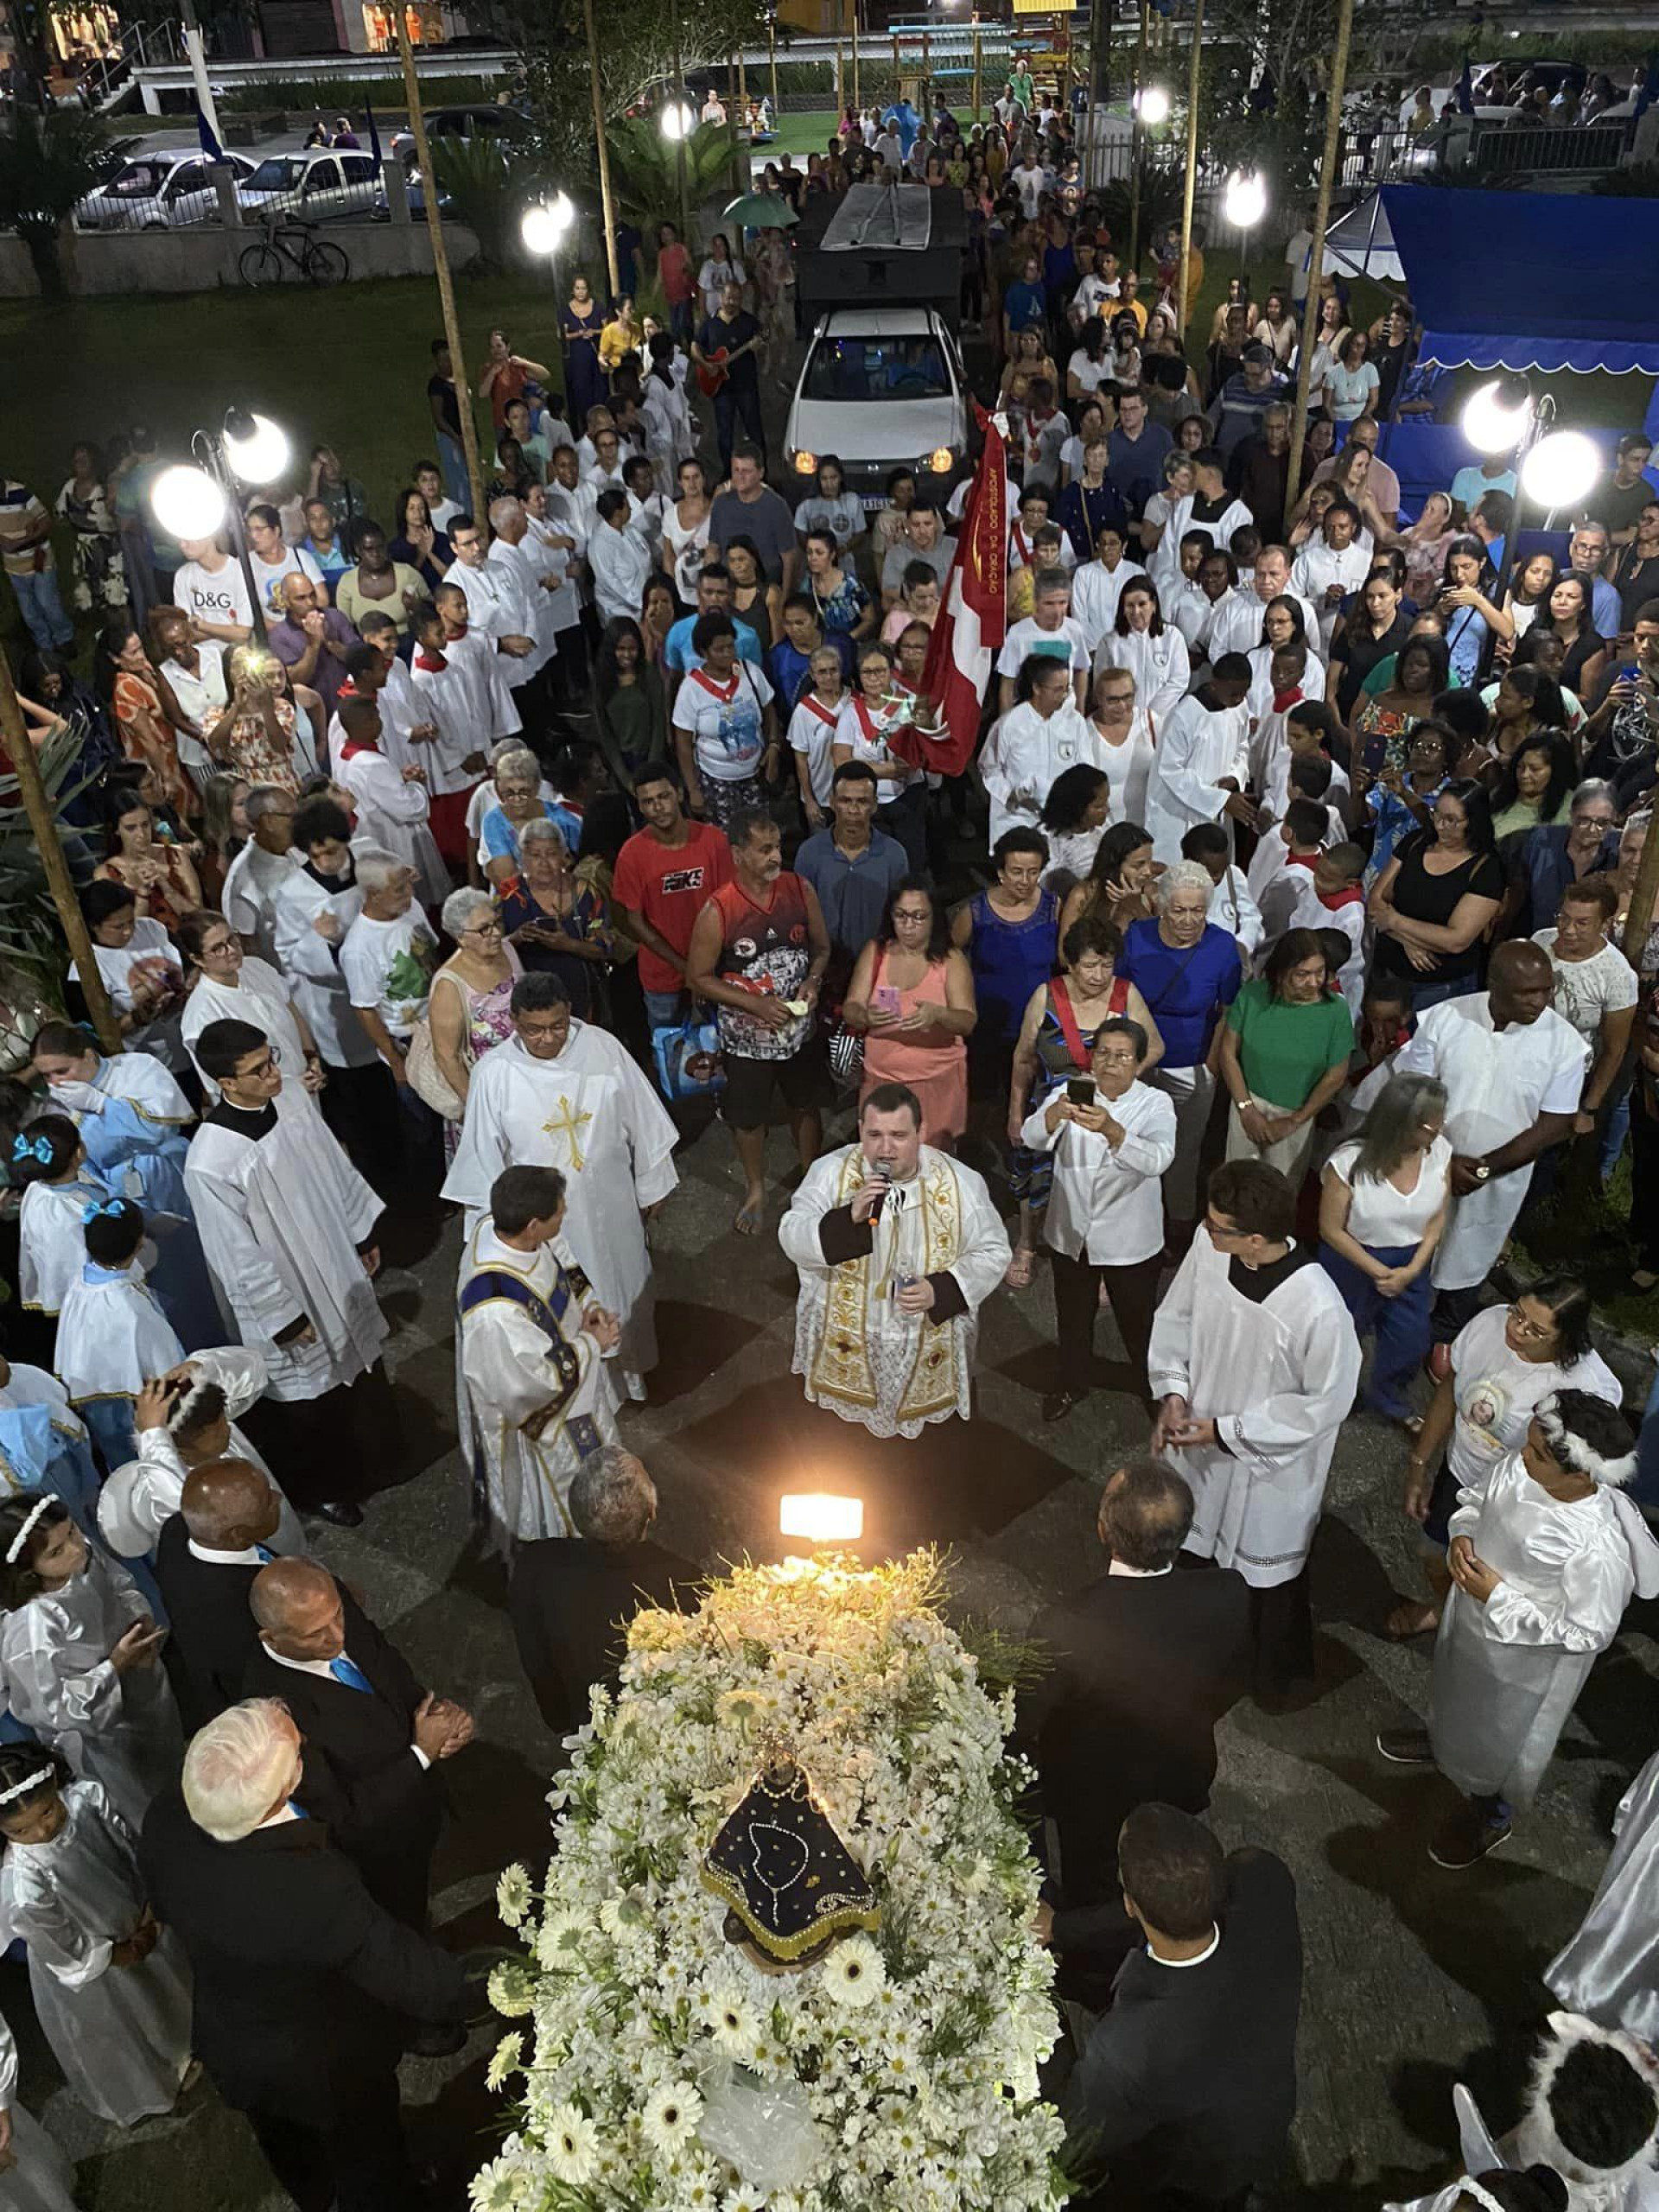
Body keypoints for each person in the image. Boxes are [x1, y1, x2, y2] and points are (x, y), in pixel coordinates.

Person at [139, 1698, 468, 2211]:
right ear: (285, 1789)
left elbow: (164, 1906)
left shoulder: (165, 1817)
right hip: (324, 2062)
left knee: (294, 2152)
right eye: (297, 1751)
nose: (305, 1741)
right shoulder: (313, 1890)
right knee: (370, 2157)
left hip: (234, 2040)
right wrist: (502, 1983)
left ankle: (315, 2196)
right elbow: (417, 1978)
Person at [1379, 1391, 1659, 1869]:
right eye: (1529, 1445)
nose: (1522, 1455)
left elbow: (1588, 1634)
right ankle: (1444, 1745)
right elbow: (1477, 1501)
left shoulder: (1596, 1546)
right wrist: (1462, 1533)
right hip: (1470, 1627)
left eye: (1538, 1453)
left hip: (1521, 1670)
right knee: (1455, 1692)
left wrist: (1498, 1598)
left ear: (1580, 1474)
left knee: (1501, 1742)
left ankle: (1492, 1814)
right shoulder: (1523, 1467)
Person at [1016, 1465, 1249, 1983]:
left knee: (1098, 1884)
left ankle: (1091, 1969)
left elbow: (1027, 1717)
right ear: (1183, 1533)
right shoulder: (1228, 1592)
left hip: (1093, 1795)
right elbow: (1232, 1680)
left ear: (1104, 1530)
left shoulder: (1065, 1624)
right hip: (1182, 1770)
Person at [1149, 1160, 1363, 1689]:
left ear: (1256, 1239)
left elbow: (1325, 1403)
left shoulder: (1319, 1308)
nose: (1205, 1231)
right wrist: (1174, 1393)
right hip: (1199, 1436)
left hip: (1268, 1469)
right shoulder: (1210, 1249)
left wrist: (1229, 1432)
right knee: (1192, 1548)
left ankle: (1269, 1676)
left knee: (1261, 1579)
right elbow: (1177, 1317)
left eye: (1218, 1226)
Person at [184, 1018, 394, 1517]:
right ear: (226, 1082)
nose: (274, 1074)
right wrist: (283, 1317)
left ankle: (379, 1452)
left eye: (272, 1059)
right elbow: (234, 1252)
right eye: (258, 1070)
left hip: (335, 1254)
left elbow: (334, 1167)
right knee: (312, 1398)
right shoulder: (210, 1162)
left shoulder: (293, 1100)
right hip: (289, 1285)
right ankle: (326, 1488)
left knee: (364, 1362)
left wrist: (361, 1233)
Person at [442, 975, 679, 1395]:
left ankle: (632, 1378)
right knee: (568, 1307)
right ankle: (591, 1389)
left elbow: (643, 1117)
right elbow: (483, 1159)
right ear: (514, 1022)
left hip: (613, 1202)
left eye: (557, 1026)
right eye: (534, 1030)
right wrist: (493, 1239)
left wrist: (651, 1182)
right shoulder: (494, 1073)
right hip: (548, 1222)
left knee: (625, 1285)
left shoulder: (602, 1048)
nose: (548, 1038)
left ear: (570, 1013)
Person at [1058, 1805, 1301, 2207]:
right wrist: (1061, 1928)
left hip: (1198, 2168)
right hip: (1266, 2111)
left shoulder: (1127, 2052)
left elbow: (1070, 2135)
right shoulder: (1264, 1876)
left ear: (1129, 1904)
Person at [241, 1557, 471, 1963]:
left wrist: (438, 1719)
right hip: (381, 1848)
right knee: (404, 1918)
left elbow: (386, 1661)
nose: (338, 1636)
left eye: (338, 1616)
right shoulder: (276, 1718)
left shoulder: (331, 1606)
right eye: (316, 1634)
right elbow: (341, 1817)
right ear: (272, 1637)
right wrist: (420, 1753)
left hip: (419, 1804)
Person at [779, 1082, 1011, 1440]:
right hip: (851, 1338)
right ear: (861, 1130)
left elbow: (994, 1250)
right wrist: (847, 1219)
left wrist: (940, 1289)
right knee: (840, 1447)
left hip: (921, 1336)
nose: (885, 1149)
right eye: (874, 1135)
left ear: (920, 1132)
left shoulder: (960, 1183)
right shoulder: (830, 1172)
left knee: (920, 1456)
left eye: (899, 1136)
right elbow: (791, 1234)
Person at [1395, 943, 1586, 1346]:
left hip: (1496, 1178)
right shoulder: (1447, 1017)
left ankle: (1445, 1334)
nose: (1539, 1001)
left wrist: (1484, 1167)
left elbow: (1554, 1123)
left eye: (1546, 990)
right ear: (1494, 985)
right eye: (1527, 992)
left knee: (1471, 1249)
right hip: (1425, 1160)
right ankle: (1398, 1322)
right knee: (1410, 1242)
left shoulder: (1564, 1044)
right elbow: (1411, 1091)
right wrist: (1441, 1158)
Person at [0, 1740, 194, 2126]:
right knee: (133, 2011)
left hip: (133, 1909)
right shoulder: (23, 1884)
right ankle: (161, 2072)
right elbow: (63, 1945)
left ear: (56, 1786)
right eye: (21, 1830)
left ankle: (188, 2038)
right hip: (92, 1954)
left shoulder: (87, 1799)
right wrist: (122, 1953)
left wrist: (151, 1902)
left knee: (168, 1985)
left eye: (47, 1811)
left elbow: (127, 1845)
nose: (41, 1830)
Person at [456, 1164, 622, 1545]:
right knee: (571, 1500)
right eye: (559, 1213)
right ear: (532, 1225)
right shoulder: (494, 1312)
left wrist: (588, 1305)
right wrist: (592, 1344)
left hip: (573, 1365)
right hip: (542, 1422)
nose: (565, 1216)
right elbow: (528, 1385)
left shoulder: (502, 1228)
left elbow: (556, 1257)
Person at [686, 810, 831, 1235]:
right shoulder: (719, 909)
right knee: (749, 1118)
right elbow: (698, 977)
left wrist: (813, 981)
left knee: (806, 1104)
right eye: (764, 849)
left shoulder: (799, 889)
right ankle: (755, 1187)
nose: (775, 857)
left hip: (800, 1034)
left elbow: (822, 949)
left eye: (778, 847)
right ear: (738, 854)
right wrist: (754, 1004)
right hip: (747, 1043)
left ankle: (811, 1176)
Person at [1021, 1019, 1176, 1416]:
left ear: (1138, 1062)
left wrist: (1113, 1131)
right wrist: (1053, 1116)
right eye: (1103, 1052)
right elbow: (1031, 1137)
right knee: (1073, 1317)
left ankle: (1153, 1388)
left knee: (1138, 1321)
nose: (1110, 1062)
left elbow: (1159, 1159)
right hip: (1071, 1231)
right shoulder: (1070, 1091)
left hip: (1129, 1238)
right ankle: (1072, 1383)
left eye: (1122, 1056)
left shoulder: (1155, 1103)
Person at [0, 1494, 178, 1824]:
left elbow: (120, 1584)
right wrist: (114, 1666)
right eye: (56, 1552)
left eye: (72, 1531)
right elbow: (50, 1709)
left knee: (169, 1756)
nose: (75, 1548)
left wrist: (138, 1621)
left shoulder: (83, 1554)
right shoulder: (33, 1624)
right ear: (26, 1569)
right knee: (142, 1796)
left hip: (140, 1680)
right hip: (99, 1727)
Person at [508, 1444, 695, 1734]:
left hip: (584, 1724)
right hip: (664, 1729)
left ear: (576, 1513)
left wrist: (558, 1717)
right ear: (652, 1511)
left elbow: (536, 1658)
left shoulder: (535, 1565)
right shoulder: (685, 1582)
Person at [1118, 861, 1244, 1235]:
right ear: (1160, 905)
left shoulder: (1222, 946)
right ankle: (1135, 1226)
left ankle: (1177, 1224)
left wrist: (1211, 1065)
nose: (1189, 920)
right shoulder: (1137, 936)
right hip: (1137, 1063)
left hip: (1191, 1065)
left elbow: (1229, 1011)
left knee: (1184, 1151)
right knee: (1131, 1145)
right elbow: (1118, 996)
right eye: (1179, 910)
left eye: (1198, 911)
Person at [53, 1196, 186, 1469]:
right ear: (140, 1243)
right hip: (132, 1398)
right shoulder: (128, 1306)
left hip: (92, 1384)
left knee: (115, 1450)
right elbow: (163, 1361)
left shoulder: (81, 1279)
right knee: (143, 1450)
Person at [842, 880, 975, 1148]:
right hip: (882, 1078)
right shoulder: (876, 952)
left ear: (934, 918)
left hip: (935, 1081)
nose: (908, 925)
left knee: (932, 1158)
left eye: (918, 916)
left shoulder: (950, 960)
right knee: (884, 1154)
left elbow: (967, 1021)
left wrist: (939, 1014)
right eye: (901, 915)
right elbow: (851, 1007)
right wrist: (864, 1017)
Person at [1219, 929, 1355, 1185]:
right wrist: (1246, 1109)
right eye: (1303, 974)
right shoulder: (1253, 995)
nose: (1313, 982)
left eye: (1319, 972)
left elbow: (1336, 1075)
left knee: (1281, 1187)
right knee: (1236, 1183)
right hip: (1247, 1102)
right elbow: (1228, 1053)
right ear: (1282, 971)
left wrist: (1295, 1120)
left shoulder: (1335, 1010)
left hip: (1296, 1114)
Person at [610, 766, 733, 1034]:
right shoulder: (631, 854)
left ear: (679, 793)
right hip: (661, 977)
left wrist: (703, 970)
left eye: (663, 796)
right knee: (670, 1049)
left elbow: (729, 905)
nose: (658, 807)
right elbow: (635, 922)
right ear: (640, 807)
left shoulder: (713, 840)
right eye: (648, 801)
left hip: (716, 968)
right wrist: (687, 970)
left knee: (719, 1044)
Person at [1369, 779, 1504, 1009]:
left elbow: (1456, 940)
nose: (1440, 825)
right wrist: (1406, 941)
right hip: (1389, 975)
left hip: (1442, 987)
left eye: (1451, 820)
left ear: (1474, 821)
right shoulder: (1415, 842)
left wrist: (1394, 921)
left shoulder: (1486, 869)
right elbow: (1375, 902)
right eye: (1436, 814)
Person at [220, 785, 301, 968]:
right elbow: (246, 947)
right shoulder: (244, 880)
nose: (299, 822)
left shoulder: (295, 852)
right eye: (292, 816)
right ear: (269, 821)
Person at [695, 280, 766, 476]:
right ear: (721, 298)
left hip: (746, 386)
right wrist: (706, 365)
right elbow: (695, 347)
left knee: (754, 429)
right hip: (721, 390)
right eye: (729, 298)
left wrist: (759, 348)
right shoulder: (710, 325)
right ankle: (728, 472)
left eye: (736, 298)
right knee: (725, 433)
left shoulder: (749, 322)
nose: (732, 302)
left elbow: (763, 344)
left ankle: (760, 471)